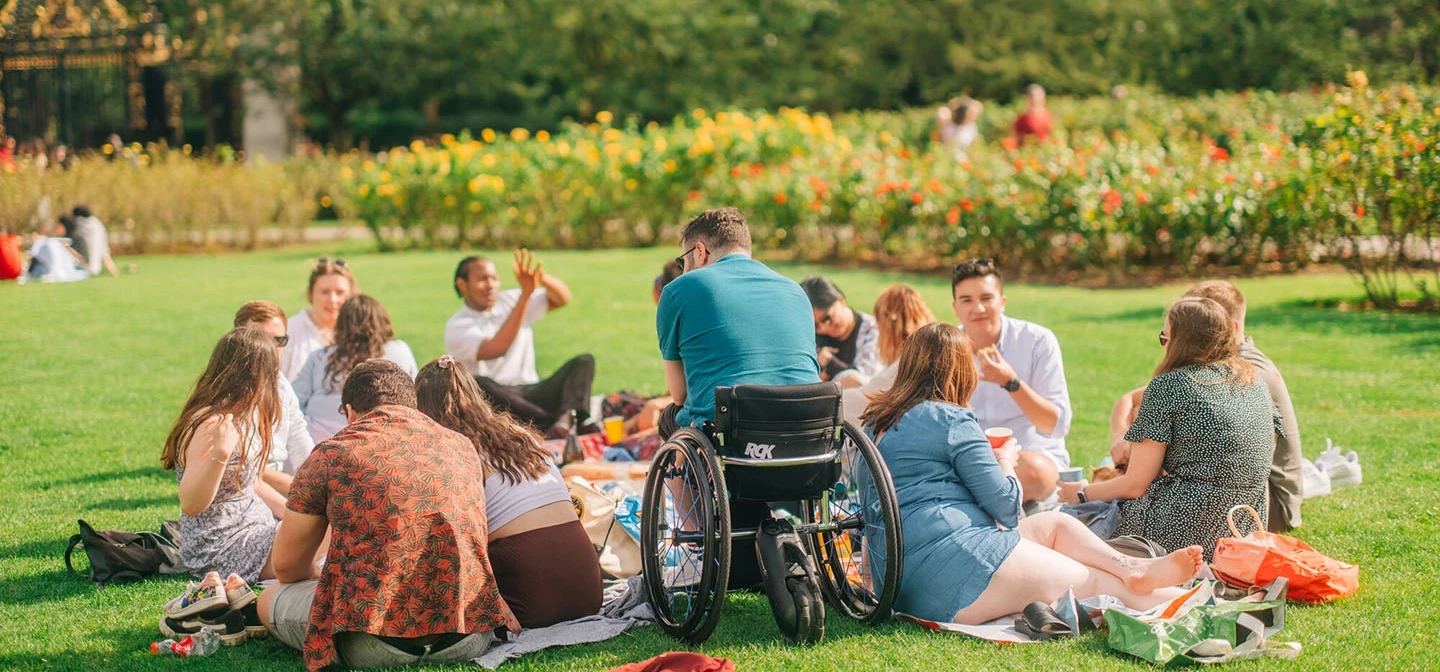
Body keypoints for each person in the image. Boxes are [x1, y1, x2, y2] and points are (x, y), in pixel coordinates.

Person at [862, 323, 1202, 625]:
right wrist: (1005, 461)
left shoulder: (875, 423)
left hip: (897, 580)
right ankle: (1199, 611)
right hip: (955, 575)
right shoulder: (952, 420)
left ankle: (1134, 569)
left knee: (1055, 524)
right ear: (961, 372)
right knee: (1095, 581)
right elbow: (1008, 510)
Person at [259, 359, 520, 671]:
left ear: (349, 411)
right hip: (469, 635)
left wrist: (322, 577)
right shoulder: (461, 446)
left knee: (269, 597)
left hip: (373, 642)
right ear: (413, 405)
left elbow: (286, 567)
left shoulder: (332, 454)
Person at [1060, 297, 1279, 559]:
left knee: (1065, 524)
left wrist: (1082, 493)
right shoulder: (1254, 383)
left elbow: (1135, 485)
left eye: (1165, 338)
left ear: (1178, 343)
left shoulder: (1169, 386)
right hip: (1242, 533)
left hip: (1179, 532)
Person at [415, 355, 603, 629]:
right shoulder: (520, 434)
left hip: (533, 597)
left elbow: (461, 540)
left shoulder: (454, 450)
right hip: (587, 588)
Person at [1107, 280, 1303, 532]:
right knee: (1150, 416)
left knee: (1153, 422)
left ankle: (1148, 508)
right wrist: (1121, 438)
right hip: (1243, 506)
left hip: (1264, 505)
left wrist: (1084, 493)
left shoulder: (1249, 373)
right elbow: (1130, 399)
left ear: (1229, 327)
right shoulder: (1225, 367)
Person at [160, 327, 285, 581]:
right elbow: (191, 504)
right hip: (222, 549)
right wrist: (221, 453)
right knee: (338, 531)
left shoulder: (242, 414)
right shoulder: (210, 424)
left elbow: (251, 483)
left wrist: (297, 511)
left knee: (330, 521)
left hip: (255, 532)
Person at [951, 258, 1071, 505]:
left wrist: (1010, 381)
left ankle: (972, 506)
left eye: (986, 298)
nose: (978, 309)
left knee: (1038, 472)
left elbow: (1055, 425)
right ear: (955, 308)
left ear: (1002, 302)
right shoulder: (946, 348)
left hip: (1026, 458)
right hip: (969, 458)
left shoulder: (1037, 341)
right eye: (967, 300)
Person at [445, 249, 594, 436]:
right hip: (499, 400)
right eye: (482, 279)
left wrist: (540, 278)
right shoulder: (457, 325)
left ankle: (566, 419)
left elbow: (562, 298)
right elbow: (498, 347)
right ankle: (557, 422)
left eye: (494, 278)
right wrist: (525, 295)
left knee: (583, 362)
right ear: (462, 284)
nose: (491, 285)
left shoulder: (509, 300)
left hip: (532, 391)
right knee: (478, 384)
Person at [293, 294, 418, 443]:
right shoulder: (399, 350)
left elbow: (296, 401)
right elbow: (415, 398)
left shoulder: (321, 356)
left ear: (341, 325)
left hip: (317, 439)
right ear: (382, 322)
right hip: (383, 437)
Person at [234, 301, 315, 482]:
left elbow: (298, 440)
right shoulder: (231, 391)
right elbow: (246, 469)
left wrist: (318, 478)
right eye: (260, 339)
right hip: (247, 486)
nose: (270, 348)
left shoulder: (281, 384)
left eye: (278, 340)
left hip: (277, 481)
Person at [842, 284, 935, 426]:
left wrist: (838, 388)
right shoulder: (931, 352)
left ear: (887, 325)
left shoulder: (905, 364)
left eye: (879, 326)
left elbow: (865, 402)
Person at [280, 258, 356, 382]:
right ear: (311, 294)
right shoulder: (290, 331)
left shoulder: (358, 332)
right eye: (325, 292)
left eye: (340, 292)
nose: (332, 299)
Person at [800, 275, 882, 388]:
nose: (823, 328)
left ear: (841, 300)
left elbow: (866, 382)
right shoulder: (813, 335)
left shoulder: (873, 330)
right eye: (815, 326)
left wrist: (830, 364)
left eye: (827, 319)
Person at [69, 206, 118, 277]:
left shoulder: (79, 225)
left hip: (82, 269)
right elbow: (104, 250)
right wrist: (113, 269)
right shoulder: (97, 224)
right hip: (96, 269)